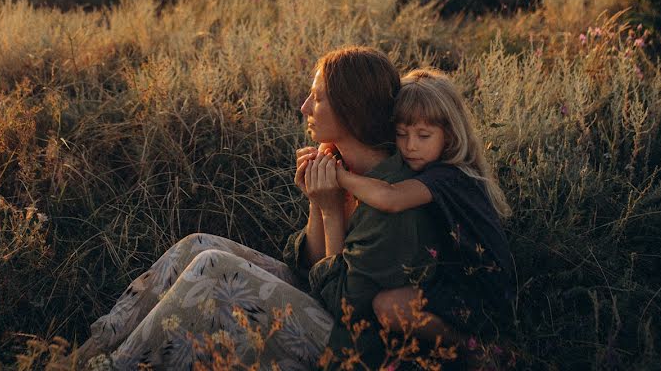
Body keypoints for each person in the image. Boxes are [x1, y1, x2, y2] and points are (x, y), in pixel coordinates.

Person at [67, 47, 443, 370]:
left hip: (350, 346)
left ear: (350, 110)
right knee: (197, 246)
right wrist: (318, 202)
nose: (304, 106)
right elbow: (307, 269)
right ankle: (89, 353)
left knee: (212, 270)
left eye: (318, 97)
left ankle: (118, 366)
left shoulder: (390, 194)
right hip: (325, 305)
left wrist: (330, 211)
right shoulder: (340, 163)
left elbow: (344, 306)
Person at [299, 68, 515, 353]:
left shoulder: (448, 177)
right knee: (388, 306)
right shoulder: (424, 168)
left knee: (388, 307)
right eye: (401, 134)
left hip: (481, 293)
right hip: (449, 280)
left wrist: (339, 177)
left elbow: (390, 197)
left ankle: (478, 348)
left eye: (423, 135)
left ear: (449, 136)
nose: (411, 146)